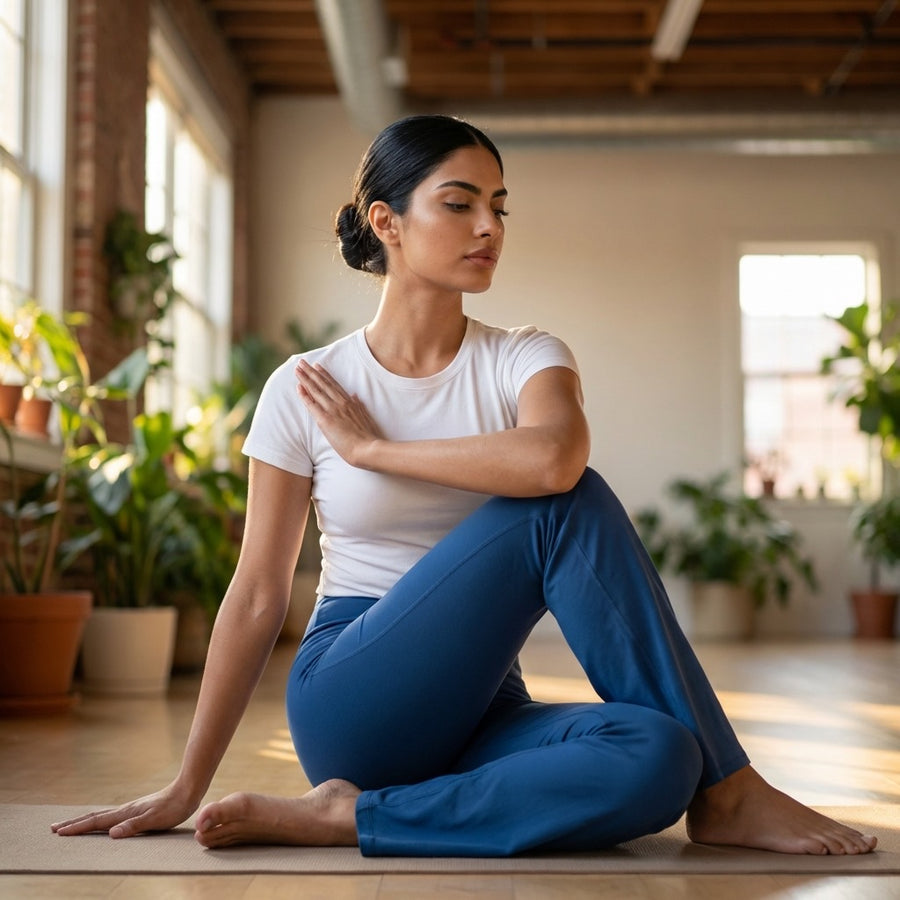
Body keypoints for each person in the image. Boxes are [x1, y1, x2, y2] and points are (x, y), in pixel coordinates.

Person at [53, 115, 876, 858]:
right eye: (459, 203)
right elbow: (259, 593)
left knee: (661, 755)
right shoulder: (307, 386)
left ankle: (354, 817)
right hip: (355, 697)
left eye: (499, 207)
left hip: (486, 705)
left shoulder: (525, 355)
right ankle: (730, 793)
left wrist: (376, 450)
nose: (489, 226)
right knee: (568, 507)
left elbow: (553, 454)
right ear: (387, 222)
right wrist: (186, 786)